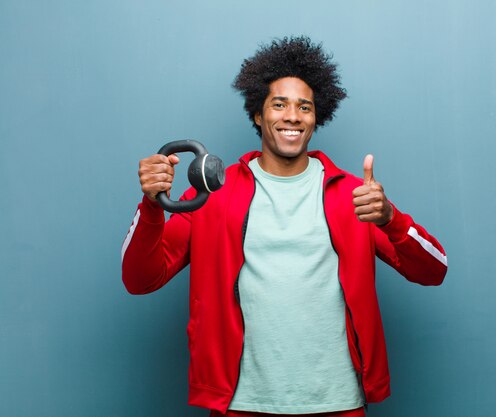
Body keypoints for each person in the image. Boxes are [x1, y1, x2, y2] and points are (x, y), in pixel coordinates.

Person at [121, 36, 447, 417]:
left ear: (316, 118)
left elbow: (434, 271)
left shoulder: (354, 197)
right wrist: (152, 203)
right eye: (279, 104)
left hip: (337, 402)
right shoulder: (213, 197)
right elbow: (141, 279)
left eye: (304, 107)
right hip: (242, 404)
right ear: (258, 115)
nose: (292, 116)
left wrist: (391, 218)